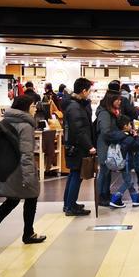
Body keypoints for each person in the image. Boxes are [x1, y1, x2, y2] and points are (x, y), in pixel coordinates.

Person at [0, 95, 45, 248]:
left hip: (7, 168)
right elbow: (26, 154)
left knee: (12, 200)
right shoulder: (25, 126)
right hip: (20, 169)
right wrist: (29, 177)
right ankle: (28, 233)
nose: (35, 108)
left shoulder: (6, 121)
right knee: (31, 196)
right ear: (25, 108)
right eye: (33, 106)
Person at [62, 77, 94, 216]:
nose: (90, 93)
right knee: (76, 175)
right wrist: (89, 146)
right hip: (77, 147)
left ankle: (69, 204)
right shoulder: (75, 107)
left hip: (74, 146)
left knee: (73, 175)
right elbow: (79, 130)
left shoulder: (74, 105)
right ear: (84, 91)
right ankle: (70, 207)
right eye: (89, 91)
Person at [95, 92, 126, 207]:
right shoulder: (104, 113)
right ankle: (99, 196)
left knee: (107, 171)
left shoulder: (112, 112)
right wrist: (121, 135)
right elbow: (106, 132)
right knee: (104, 171)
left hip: (109, 145)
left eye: (120, 100)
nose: (120, 102)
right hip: (104, 145)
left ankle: (105, 194)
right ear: (111, 100)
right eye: (117, 100)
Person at [108, 115, 139, 209]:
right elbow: (137, 145)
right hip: (126, 162)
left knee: (128, 181)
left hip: (119, 161)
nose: (131, 126)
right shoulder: (127, 138)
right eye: (129, 124)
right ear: (125, 126)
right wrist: (137, 137)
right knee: (128, 181)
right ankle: (115, 199)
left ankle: (136, 199)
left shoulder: (117, 135)